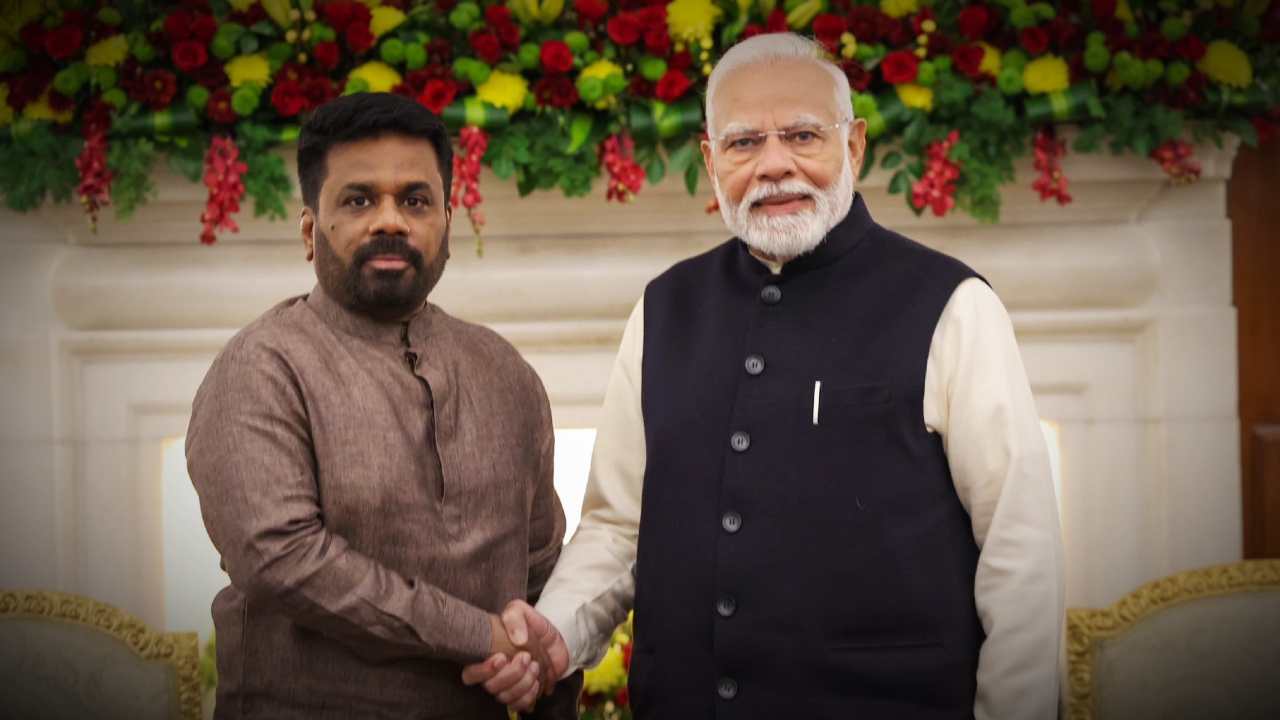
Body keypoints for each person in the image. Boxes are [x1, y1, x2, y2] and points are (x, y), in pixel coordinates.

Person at [464, 33, 1065, 719]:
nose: (775, 165)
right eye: (745, 143)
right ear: (711, 159)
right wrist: (557, 634)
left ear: (855, 146)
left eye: (803, 135)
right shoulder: (665, 307)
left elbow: (1021, 553)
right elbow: (617, 526)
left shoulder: (953, 304)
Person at [186, 92, 579, 719]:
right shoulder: (263, 366)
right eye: (359, 199)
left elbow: (542, 564)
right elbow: (281, 558)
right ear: (311, 231)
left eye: (415, 200)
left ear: (447, 223)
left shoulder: (504, 371)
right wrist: (483, 637)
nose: (390, 220)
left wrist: (539, 665)